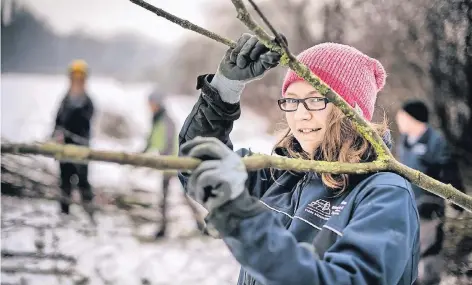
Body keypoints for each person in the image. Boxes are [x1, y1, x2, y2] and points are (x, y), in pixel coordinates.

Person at [177, 33, 420, 285]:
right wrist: (225, 87)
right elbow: (196, 167)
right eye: (292, 100)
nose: (300, 115)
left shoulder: (385, 194)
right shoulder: (279, 176)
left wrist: (246, 222)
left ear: (352, 111)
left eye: (316, 100)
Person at [395, 99, 465, 285]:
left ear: (412, 119)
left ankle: (430, 280)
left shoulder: (435, 142)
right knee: (409, 249)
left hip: (429, 206)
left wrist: (457, 201)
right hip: (409, 205)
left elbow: (449, 171)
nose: (399, 121)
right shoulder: (405, 141)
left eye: (402, 117)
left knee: (428, 251)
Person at [144, 90, 205, 239]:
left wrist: (166, 161)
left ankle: (199, 224)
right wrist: (142, 152)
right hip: (167, 163)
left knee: (182, 195)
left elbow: (169, 143)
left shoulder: (166, 120)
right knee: (168, 196)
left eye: (151, 103)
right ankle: (167, 226)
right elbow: (152, 140)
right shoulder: (157, 119)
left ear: (157, 103)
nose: (150, 106)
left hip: (174, 163)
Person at [51, 59, 95, 218]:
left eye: (80, 79)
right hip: (64, 148)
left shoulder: (87, 102)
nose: (77, 82)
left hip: (81, 147)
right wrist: (55, 135)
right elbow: (57, 121)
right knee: (65, 181)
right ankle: (64, 213)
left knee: (83, 181)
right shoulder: (65, 100)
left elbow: (84, 121)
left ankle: (89, 212)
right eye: (74, 78)